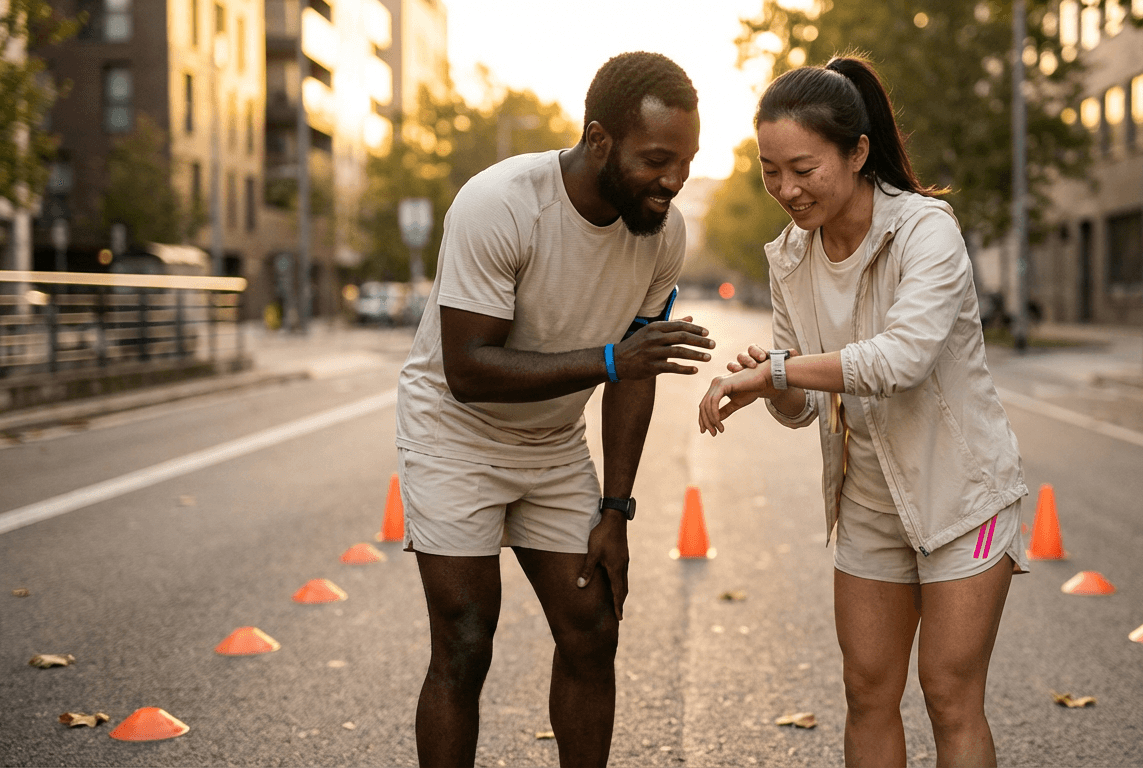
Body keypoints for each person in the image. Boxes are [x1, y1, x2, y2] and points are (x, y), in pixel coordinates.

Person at [698, 56, 1029, 767]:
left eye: (803, 167)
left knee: (948, 693)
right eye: (769, 169)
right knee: (866, 691)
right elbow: (801, 404)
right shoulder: (790, 256)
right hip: (870, 501)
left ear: (856, 152)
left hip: (961, 497)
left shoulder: (924, 231)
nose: (785, 189)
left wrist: (782, 368)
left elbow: (899, 361)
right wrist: (770, 384)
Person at [395, 52, 712, 768]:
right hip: (455, 432)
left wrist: (617, 510)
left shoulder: (663, 231)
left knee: (593, 628)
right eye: (656, 159)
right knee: (467, 639)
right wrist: (607, 360)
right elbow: (469, 367)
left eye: (687, 161)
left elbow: (637, 372)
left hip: (552, 442)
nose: (673, 180)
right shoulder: (501, 202)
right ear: (599, 139)